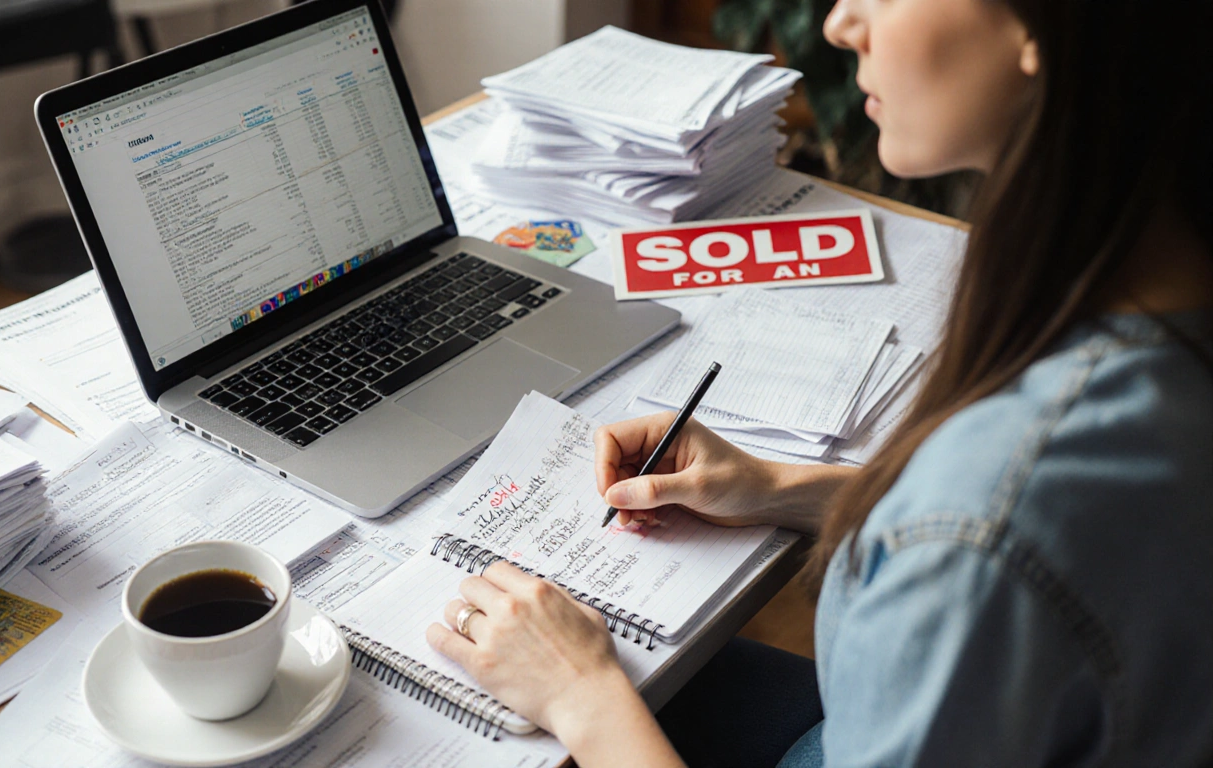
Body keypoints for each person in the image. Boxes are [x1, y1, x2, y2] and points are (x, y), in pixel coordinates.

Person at [425, 0, 1213, 764]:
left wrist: (581, 698)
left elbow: (990, 539)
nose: (841, 22)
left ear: (1043, 25)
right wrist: (780, 485)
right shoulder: (1161, 307)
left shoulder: (987, 518)